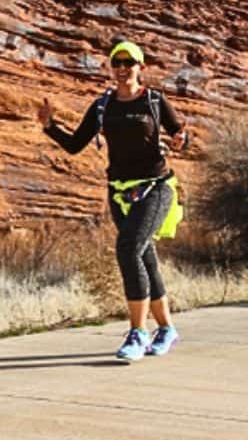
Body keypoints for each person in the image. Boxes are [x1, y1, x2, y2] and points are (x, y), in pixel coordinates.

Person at [37, 40, 188, 360]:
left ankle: (138, 333)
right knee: (144, 256)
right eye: (116, 63)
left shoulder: (155, 101)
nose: (122, 69)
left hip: (155, 187)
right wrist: (50, 126)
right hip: (120, 192)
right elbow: (76, 144)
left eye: (128, 63)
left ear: (140, 67)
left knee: (128, 248)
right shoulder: (103, 105)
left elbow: (180, 134)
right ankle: (167, 329)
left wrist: (179, 140)